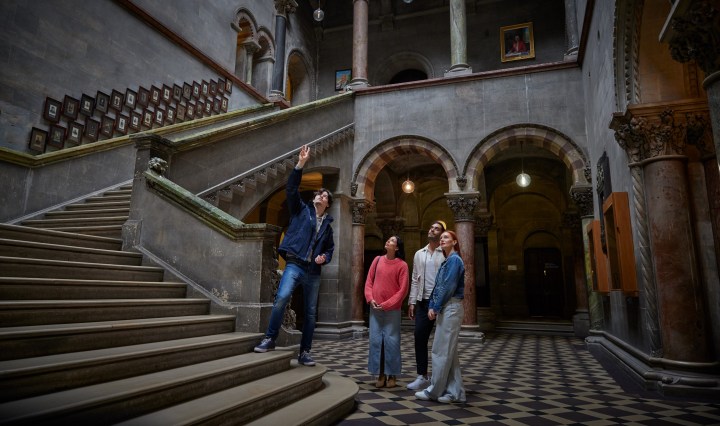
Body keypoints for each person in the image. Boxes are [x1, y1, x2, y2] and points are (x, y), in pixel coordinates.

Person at [254, 144, 334, 367]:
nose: (319, 195)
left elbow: (330, 250)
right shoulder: (301, 210)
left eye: (324, 195)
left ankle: (305, 352)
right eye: (318, 193)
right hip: (295, 264)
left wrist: (324, 258)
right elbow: (291, 190)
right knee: (281, 297)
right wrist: (300, 164)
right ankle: (270, 338)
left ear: (327, 204)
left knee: (309, 313)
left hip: (313, 271)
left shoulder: (328, 226)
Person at [415, 230, 466, 404]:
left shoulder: (454, 260)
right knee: (449, 353)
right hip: (447, 307)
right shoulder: (448, 261)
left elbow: (448, 286)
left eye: (446, 237)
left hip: (450, 306)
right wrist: (432, 305)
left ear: (454, 242)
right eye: (441, 237)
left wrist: (435, 307)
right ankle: (455, 393)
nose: (442, 239)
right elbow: (439, 286)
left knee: (440, 351)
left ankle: (434, 391)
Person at [364, 235, 409, 388]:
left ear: (396, 248)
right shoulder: (377, 260)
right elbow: (369, 282)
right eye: (388, 240)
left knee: (392, 342)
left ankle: (392, 375)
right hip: (375, 309)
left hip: (392, 311)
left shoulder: (402, 265)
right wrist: (371, 299)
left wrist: (387, 304)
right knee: (376, 342)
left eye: (391, 241)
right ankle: (381, 374)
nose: (388, 242)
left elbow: (402, 291)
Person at [407, 220, 446, 390]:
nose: (432, 229)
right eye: (431, 227)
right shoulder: (419, 254)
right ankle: (422, 375)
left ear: (442, 234)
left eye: (436, 228)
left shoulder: (445, 253)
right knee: (419, 337)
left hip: (440, 302)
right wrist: (412, 301)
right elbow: (415, 278)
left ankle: (441, 379)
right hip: (423, 301)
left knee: (442, 342)